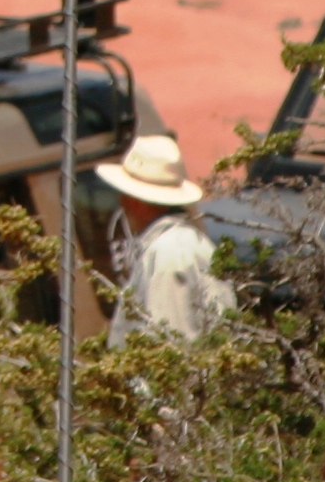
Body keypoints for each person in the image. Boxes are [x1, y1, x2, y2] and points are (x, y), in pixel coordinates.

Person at [95, 133, 227, 341]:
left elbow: (171, 341)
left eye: (124, 196)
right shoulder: (185, 242)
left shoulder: (168, 254)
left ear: (135, 202)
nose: (121, 204)